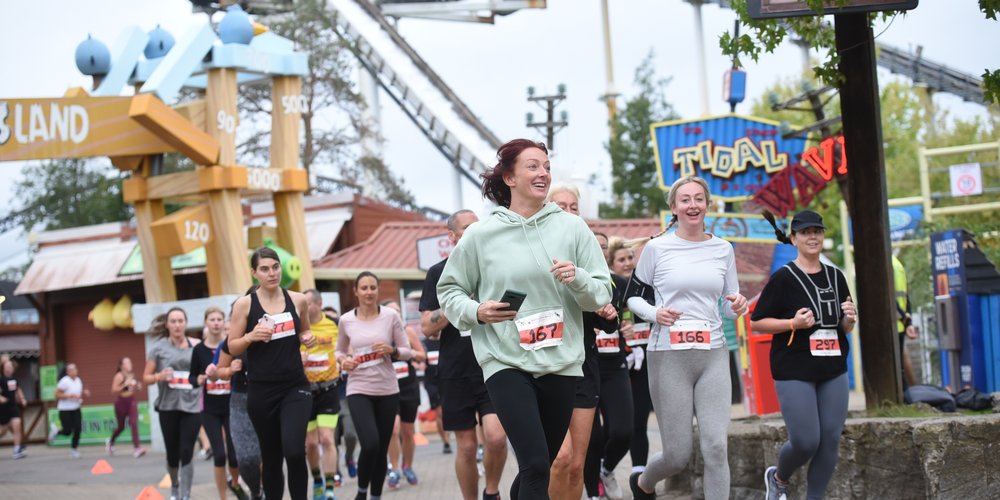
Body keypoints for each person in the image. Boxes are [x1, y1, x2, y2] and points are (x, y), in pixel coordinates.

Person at [438, 139, 613, 500]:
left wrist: (578, 278)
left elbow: (601, 293)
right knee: (534, 464)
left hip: (561, 361)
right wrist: (477, 312)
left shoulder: (573, 228)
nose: (543, 173)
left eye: (546, 167)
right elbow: (450, 290)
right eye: (532, 166)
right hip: (505, 360)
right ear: (509, 178)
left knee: (540, 465)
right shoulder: (481, 235)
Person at [625, 176, 748, 500]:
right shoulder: (657, 248)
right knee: (677, 455)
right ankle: (643, 483)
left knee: (716, 447)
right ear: (674, 207)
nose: (692, 205)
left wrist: (738, 305)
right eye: (685, 200)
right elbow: (632, 297)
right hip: (669, 355)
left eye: (698, 199)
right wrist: (656, 314)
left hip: (713, 353)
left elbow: (729, 302)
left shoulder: (723, 249)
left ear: (707, 204)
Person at [754, 210, 856, 500]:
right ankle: (779, 478)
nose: (813, 237)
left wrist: (849, 319)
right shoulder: (783, 278)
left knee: (830, 440)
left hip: (833, 367)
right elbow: (757, 322)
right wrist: (792, 324)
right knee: (806, 441)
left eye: (817, 231)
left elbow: (843, 327)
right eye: (806, 232)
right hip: (794, 368)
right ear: (794, 238)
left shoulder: (836, 276)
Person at [420, 208, 509, 500]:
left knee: (496, 437)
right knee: (468, 447)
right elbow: (427, 327)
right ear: (452, 236)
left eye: (477, 227)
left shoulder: (494, 266)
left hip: (492, 364)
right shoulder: (438, 272)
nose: (475, 233)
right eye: (467, 229)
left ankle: (492, 492)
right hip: (455, 371)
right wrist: (457, 302)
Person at [547, 186, 618, 500]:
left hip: (583, 364)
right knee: (558, 460)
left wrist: (607, 311)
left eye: (573, 206)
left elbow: (607, 317)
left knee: (577, 465)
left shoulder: (588, 255)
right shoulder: (532, 249)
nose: (568, 211)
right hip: (545, 365)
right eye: (560, 205)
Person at [228, 247, 317, 500]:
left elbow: (305, 331)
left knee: (294, 451)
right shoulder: (244, 305)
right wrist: (251, 336)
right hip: (261, 391)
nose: (272, 273)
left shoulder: (298, 300)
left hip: (295, 387)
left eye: (275, 267)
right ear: (254, 273)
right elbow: (232, 346)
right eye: (265, 269)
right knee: (271, 456)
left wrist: (307, 338)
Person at [335, 271, 413, 500]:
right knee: (370, 443)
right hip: (358, 388)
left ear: (378, 290)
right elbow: (339, 351)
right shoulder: (346, 320)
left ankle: (376, 495)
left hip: (387, 389)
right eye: (364, 288)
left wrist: (392, 350)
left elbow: (407, 351)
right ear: (355, 291)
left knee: (380, 448)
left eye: (373, 288)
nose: (369, 292)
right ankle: (361, 492)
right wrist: (343, 361)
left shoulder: (390, 316)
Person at [584, 236, 636, 500]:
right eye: (596, 245)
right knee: (591, 439)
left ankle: (606, 469)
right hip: (586, 366)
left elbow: (629, 311)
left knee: (623, 431)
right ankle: (592, 491)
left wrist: (628, 324)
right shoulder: (578, 281)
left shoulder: (618, 283)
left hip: (615, 365)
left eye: (604, 246)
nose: (600, 250)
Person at [143, 308, 202, 500]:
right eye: (173, 321)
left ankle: (186, 494)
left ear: (186, 323)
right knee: (172, 454)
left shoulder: (197, 346)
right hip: (168, 406)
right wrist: (159, 376)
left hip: (192, 406)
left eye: (180, 321)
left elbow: (206, 371)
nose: (177, 325)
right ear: (167, 325)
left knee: (187, 450)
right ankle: (175, 485)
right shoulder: (158, 348)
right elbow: (146, 378)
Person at [189, 307, 245, 500]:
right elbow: (191, 377)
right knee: (219, 455)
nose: (216, 323)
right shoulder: (199, 350)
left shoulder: (231, 345)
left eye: (219, 319)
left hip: (231, 406)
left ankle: (235, 484)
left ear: (224, 322)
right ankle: (223, 497)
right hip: (210, 409)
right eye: (212, 319)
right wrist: (198, 379)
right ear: (206, 322)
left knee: (234, 455)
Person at [215, 314, 264, 500]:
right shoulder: (231, 342)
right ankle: (256, 490)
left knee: (268, 456)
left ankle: (268, 491)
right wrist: (229, 370)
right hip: (240, 400)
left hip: (268, 397)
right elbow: (219, 371)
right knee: (246, 459)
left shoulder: (270, 335)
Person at [302, 288, 343, 500]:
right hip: (305, 392)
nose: (303, 307)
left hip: (329, 389)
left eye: (307, 303)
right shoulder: (298, 327)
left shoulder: (335, 323)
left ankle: (329, 488)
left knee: (327, 439)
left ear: (318, 304)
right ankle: (317, 479)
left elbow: (346, 346)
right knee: (310, 444)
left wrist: (344, 358)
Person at [382, 299, 427, 489]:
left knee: (408, 432)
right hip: (388, 387)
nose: (396, 314)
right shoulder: (379, 334)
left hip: (408, 387)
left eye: (398, 311)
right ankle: (394, 469)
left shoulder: (408, 331)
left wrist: (408, 353)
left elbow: (422, 355)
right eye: (391, 311)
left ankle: (407, 466)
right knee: (393, 430)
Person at [48, 362, 90, 458]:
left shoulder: (78, 380)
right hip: (65, 409)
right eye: (71, 370)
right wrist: (68, 396)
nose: (73, 371)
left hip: (76, 408)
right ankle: (56, 431)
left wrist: (84, 392)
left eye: (75, 369)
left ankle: (74, 450)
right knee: (67, 431)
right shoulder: (64, 381)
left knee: (78, 429)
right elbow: (56, 394)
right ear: (67, 372)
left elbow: (77, 391)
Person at [107, 356, 146, 458]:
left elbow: (133, 388)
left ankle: (137, 448)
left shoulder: (132, 375)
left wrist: (138, 386)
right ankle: (111, 442)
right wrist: (124, 384)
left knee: (133, 423)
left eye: (130, 362)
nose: (129, 364)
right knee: (121, 427)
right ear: (121, 366)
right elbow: (114, 390)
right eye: (127, 363)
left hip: (131, 401)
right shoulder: (119, 376)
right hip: (121, 402)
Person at [893, 255, 918, 388]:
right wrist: (907, 321)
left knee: (894, 370)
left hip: (890, 326)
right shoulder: (897, 264)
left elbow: (887, 296)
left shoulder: (881, 264)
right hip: (900, 326)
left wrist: (904, 319)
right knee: (900, 369)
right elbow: (905, 296)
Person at [0, 359, 28, 459]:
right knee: (2, 432)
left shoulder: (14, 380)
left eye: (11, 367)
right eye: (7, 367)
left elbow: (18, 390)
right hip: (3, 409)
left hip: (13, 407)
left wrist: (22, 399)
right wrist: (1, 398)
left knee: (17, 425)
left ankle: (17, 450)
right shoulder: (1, 380)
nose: (9, 369)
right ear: (3, 369)